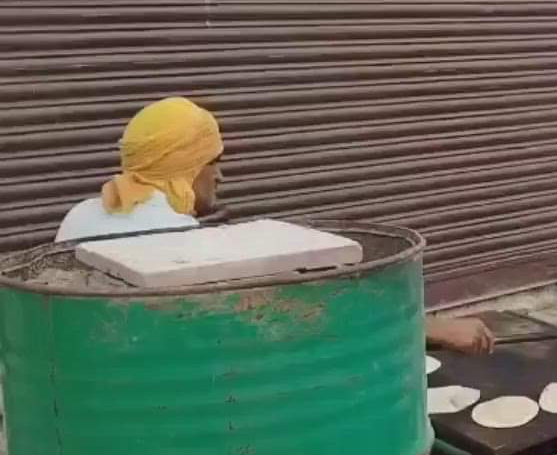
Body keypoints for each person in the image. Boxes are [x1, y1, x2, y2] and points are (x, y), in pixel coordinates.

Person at [53, 97, 494, 355]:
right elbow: (291, 329)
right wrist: (430, 330)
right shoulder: (181, 248)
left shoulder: (82, 214)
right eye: (214, 163)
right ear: (187, 166)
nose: (221, 176)